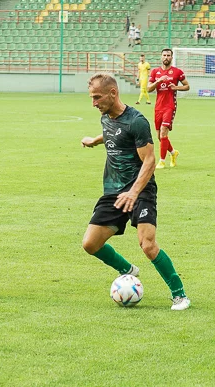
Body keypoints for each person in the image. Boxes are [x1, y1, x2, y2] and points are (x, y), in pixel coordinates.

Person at [80, 73, 190, 311]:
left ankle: (179, 294)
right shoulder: (106, 116)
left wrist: (133, 193)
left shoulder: (136, 121)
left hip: (141, 190)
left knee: (147, 244)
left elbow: (150, 161)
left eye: (97, 97)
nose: (94, 103)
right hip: (113, 191)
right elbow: (112, 134)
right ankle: (128, 270)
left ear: (113, 93)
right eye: (91, 98)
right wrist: (94, 141)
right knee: (90, 244)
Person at [147, 48, 190, 169]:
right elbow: (148, 88)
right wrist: (158, 81)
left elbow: (187, 86)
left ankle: (161, 161)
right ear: (161, 57)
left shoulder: (177, 72)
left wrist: (175, 87)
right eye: (164, 55)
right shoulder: (155, 72)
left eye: (168, 55)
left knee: (163, 132)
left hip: (170, 105)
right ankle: (173, 153)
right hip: (158, 106)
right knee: (159, 136)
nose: (166, 57)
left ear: (171, 57)